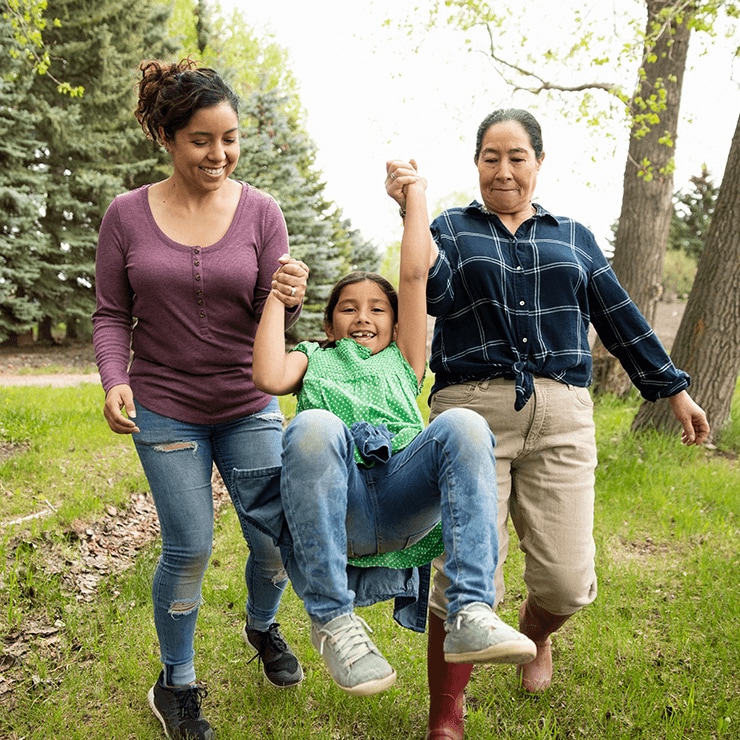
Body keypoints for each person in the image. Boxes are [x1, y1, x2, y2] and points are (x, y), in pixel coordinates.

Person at [386, 109, 710, 740]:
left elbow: (619, 315)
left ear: (538, 162)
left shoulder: (574, 236)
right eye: (490, 157)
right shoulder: (449, 227)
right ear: (475, 162)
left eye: (516, 157)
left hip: (562, 415)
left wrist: (673, 390)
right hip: (471, 413)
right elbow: (426, 285)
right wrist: (411, 207)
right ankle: (446, 717)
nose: (503, 170)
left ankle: (536, 633)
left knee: (565, 582)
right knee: (461, 571)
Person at [251, 161, 536, 698]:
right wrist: (276, 299)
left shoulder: (406, 357)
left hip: (405, 498)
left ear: (395, 319)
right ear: (329, 321)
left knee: (463, 423)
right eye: (348, 308)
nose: (363, 316)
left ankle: (470, 610)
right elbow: (266, 374)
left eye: (378, 308)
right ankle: (333, 621)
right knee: (312, 423)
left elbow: (413, 274)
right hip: (343, 502)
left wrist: (416, 194)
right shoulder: (312, 357)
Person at [92, 58, 309, 740]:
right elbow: (108, 313)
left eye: (230, 139)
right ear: (166, 136)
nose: (220, 154)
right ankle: (177, 685)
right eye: (202, 140)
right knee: (187, 546)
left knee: (272, 538)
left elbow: (270, 321)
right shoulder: (125, 215)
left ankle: (263, 626)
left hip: (247, 403)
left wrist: (287, 302)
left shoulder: (261, 212)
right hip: (165, 406)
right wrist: (114, 377)